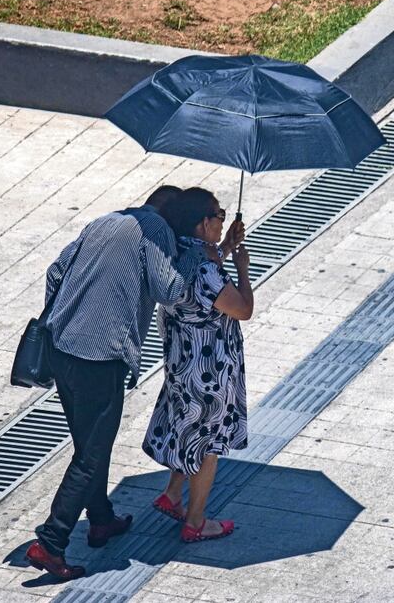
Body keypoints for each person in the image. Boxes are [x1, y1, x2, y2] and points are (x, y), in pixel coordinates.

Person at [24, 185, 244, 580]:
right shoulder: (155, 231)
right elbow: (171, 289)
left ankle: (102, 520)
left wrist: (68, 315)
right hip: (100, 355)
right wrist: (196, 252)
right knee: (91, 455)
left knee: (88, 443)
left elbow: (56, 271)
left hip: (61, 345)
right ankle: (52, 542)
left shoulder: (107, 220)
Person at [143, 187, 254, 543]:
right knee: (208, 446)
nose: (222, 221)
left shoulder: (174, 255)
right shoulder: (207, 271)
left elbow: (201, 270)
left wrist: (225, 249)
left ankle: (173, 494)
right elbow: (243, 309)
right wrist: (242, 269)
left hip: (181, 363)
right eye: (219, 216)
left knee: (187, 428)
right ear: (203, 223)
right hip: (210, 371)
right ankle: (196, 521)